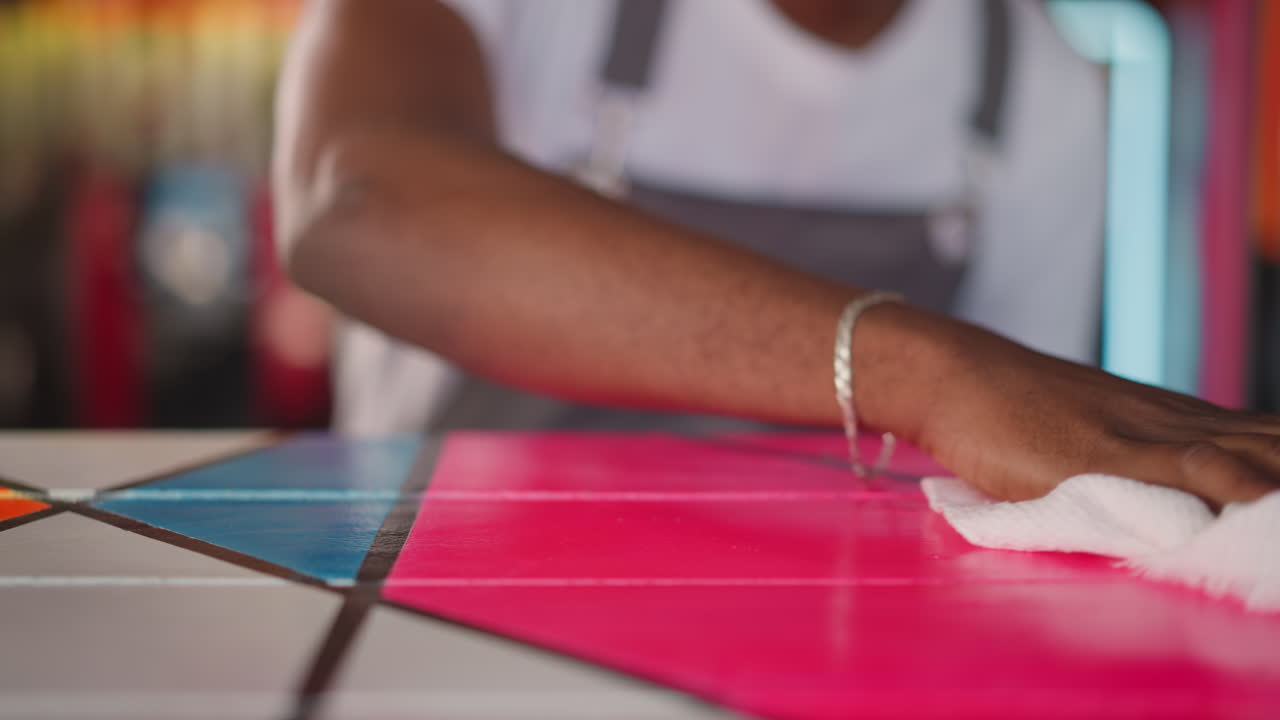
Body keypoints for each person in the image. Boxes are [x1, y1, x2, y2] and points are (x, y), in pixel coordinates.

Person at [272, 0, 1280, 506]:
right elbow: (355, 202)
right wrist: (929, 372)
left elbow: (1004, 473)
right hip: (444, 612)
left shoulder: (1037, 87)